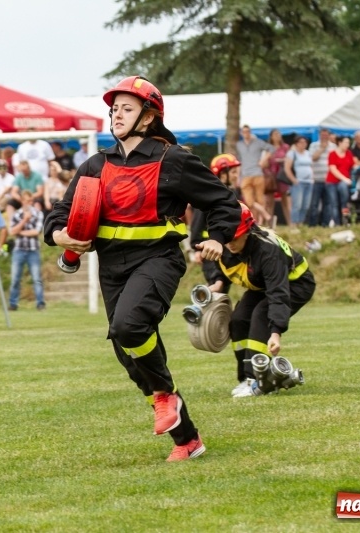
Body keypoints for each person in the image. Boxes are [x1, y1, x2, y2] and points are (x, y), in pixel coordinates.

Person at [44, 76, 241, 462]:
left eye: (127, 108)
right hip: (112, 266)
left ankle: (166, 396)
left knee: (128, 328)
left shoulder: (175, 159)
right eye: (114, 108)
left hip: (158, 259)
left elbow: (223, 201)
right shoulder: (95, 164)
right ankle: (188, 440)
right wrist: (62, 237)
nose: (117, 114)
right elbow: (58, 216)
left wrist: (217, 236)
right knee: (130, 354)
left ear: (148, 118)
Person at [204, 203, 315, 398]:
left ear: (247, 231)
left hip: (295, 283)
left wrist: (276, 331)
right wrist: (218, 283)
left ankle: (256, 379)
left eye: (235, 237)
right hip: (262, 284)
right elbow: (222, 263)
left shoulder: (267, 252)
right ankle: (245, 380)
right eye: (226, 237)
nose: (230, 243)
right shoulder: (223, 241)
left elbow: (278, 294)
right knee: (238, 320)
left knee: (261, 315)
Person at [190, 153, 240, 294]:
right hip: (209, 249)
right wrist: (197, 248)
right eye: (234, 172)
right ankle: (199, 307)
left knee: (223, 287)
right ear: (223, 174)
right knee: (217, 284)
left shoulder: (233, 195)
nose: (237, 175)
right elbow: (197, 225)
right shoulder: (209, 196)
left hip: (229, 248)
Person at [8, 190, 45, 311]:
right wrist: (24, 221)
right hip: (18, 250)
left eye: (30, 200)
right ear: (22, 201)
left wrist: (20, 231)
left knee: (36, 279)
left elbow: (36, 231)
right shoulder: (17, 214)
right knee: (15, 279)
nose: (28, 202)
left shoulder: (38, 214)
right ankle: (13, 304)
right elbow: (12, 232)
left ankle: (40, 303)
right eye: (25, 200)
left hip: (33, 249)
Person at [236, 124, 272, 224]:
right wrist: (238, 177)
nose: (246, 134)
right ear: (241, 133)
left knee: (260, 199)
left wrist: (263, 160)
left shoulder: (257, 142)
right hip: (245, 175)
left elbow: (271, 149)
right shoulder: (239, 145)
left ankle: (259, 222)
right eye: (244, 132)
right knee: (249, 201)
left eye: (247, 131)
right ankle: (266, 215)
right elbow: (239, 161)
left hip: (257, 173)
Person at [308, 128, 335, 226]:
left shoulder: (333, 146)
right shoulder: (313, 145)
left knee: (327, 203)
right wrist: (322, 148)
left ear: (328, 135)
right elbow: (313, 158)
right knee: (314, 203)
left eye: (326, 135)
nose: (324, 137)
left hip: (329, 180)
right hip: (316, 179)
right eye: (322, 135)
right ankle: (313, 224)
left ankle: (325, 223)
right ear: (319, 135)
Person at [284, 136, 314, 227]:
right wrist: (293, 179)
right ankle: (294, 223)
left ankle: (301, 223)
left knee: (306, 205)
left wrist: (312, 178)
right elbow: (287, 168)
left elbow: (311, 166)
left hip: (309, 182)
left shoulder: (308, 153)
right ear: (296, 143)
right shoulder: (292, 154)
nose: (303, 144)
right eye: (301, 142)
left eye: (305, 142)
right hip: (298, 182)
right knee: (297, 204)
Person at [325, 135, 354, 226]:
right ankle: (337, 222)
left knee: (344, 202)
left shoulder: (349, 153)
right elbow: (333, 169)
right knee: (334, 203)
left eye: (349, 143)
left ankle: (345, 221)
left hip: (344, 182)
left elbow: (352, 166)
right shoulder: (332, 154)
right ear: (340, 143)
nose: (348, 145)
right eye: (346, 142)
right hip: (332, 182)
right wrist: (344, 179)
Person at [264, 128, 290, 225]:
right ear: (271, 136)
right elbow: (264, 163)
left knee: (285, 200)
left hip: (282, 176)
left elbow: (289, 159)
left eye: (278, 134)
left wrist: (281, 160)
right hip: (271, 176)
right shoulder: (268, 148)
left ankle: (290, 223)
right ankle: (269, 224)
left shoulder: (285, 147)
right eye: (275, 134)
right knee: (270, 202)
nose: (277, 136)